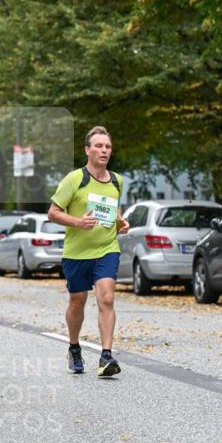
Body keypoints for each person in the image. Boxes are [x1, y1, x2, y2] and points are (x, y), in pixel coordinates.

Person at [48, 126, 129, 377]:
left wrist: (120, 222)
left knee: (106, 297)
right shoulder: (75, 179)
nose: (104, 150)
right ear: (87, 150)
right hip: (77, 252)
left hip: (107, 248)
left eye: (108, 146)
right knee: (77, 301)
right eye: (99, 146)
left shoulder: (117, 180)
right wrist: (77, 222)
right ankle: (74, 347)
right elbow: (53, 213)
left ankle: (106, 356)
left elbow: (113, 210)